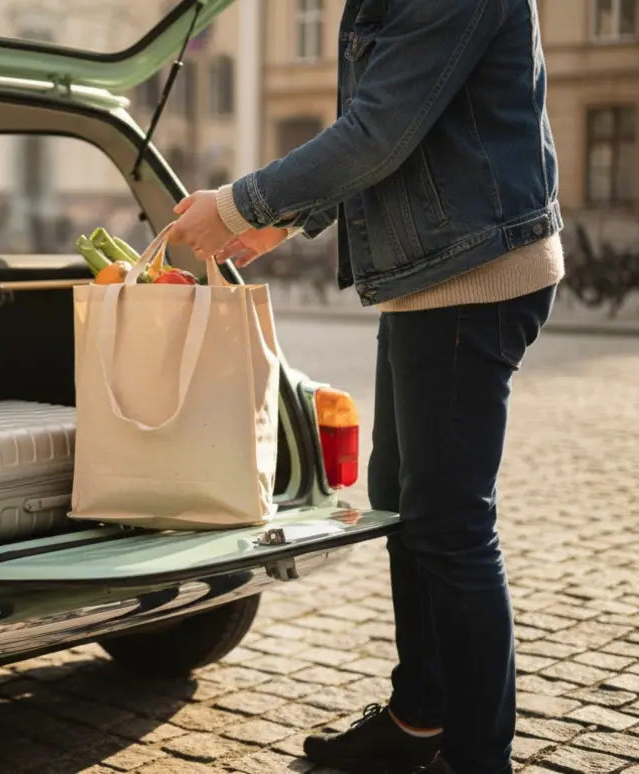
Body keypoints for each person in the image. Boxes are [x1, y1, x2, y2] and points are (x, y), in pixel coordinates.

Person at [167, 1, 563, 772]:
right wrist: (283, 220)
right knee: (404, 503)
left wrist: (239, 203)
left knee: (448, 524)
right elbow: (399, 132)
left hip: (473, 272)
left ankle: (480, 757)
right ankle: (421, 716)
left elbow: (380, 130)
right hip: (432, 272)